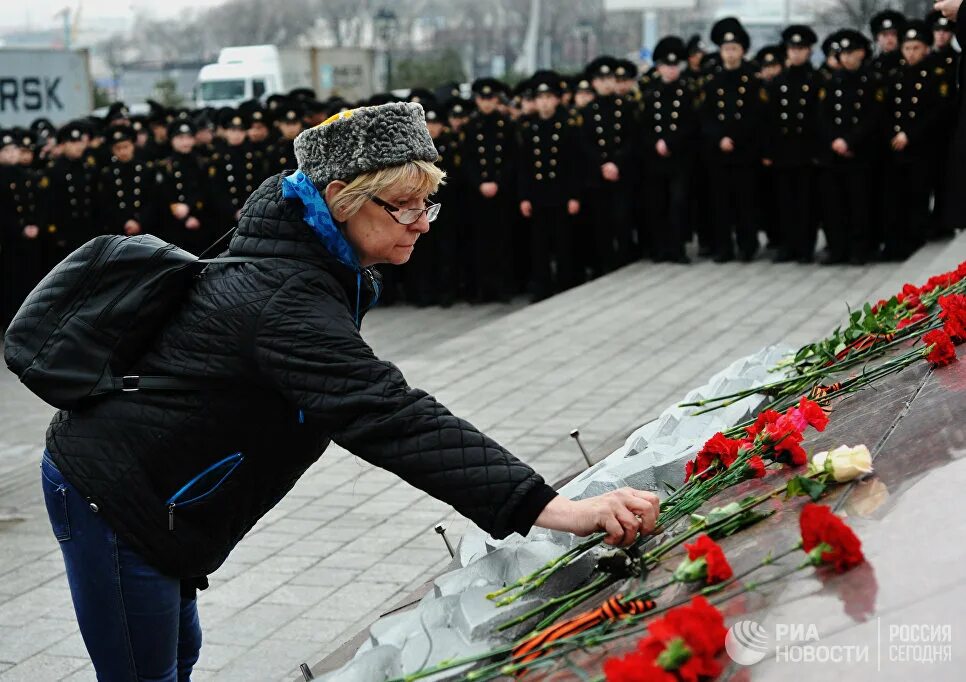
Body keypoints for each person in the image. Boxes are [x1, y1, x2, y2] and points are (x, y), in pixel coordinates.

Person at [39, 102, 661, 679]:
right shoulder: (285, 297)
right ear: (340, 199)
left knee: (177, 652)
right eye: (404, 207)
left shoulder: (309, 260)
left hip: (167, 494)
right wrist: (554, 510)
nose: (422, 224)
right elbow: (389, 415)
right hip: (114, 492)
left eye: (428, 205)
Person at [881, 20, 952, 260]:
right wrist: (893, 132)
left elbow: (937, 111)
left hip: (921, 147)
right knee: (894, 197)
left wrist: (909, 134)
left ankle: (915, 240)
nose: (911, 53)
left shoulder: (935, 73)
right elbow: (886, 108)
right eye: (907, 48)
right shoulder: (895, 74)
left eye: (916, 48)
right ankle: (895, 243)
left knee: (917, 196)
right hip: (895, 147)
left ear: (925, 48)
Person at [700, 17, 765, 262]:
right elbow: (705, 116)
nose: (730, 54)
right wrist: (719, 138)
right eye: (726, 49)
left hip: (744, 150)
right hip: (718, 152)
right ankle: (723, 248)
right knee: (720, 202)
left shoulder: (751, 80)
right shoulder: (712, 80)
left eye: (734, 49)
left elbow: (755, 115)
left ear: (743, 51)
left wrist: (734, 137)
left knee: (745, 201)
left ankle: (747, 245)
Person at [816, 30, 882, 265]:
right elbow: (823, 116)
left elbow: (873, 117)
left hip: (859, 153)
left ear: (861, 53)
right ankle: (837, 248)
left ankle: (859, 249)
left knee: (859, 205)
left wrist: (850, 141)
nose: (846, 58)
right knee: (834, 205)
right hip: (835, 154)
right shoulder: (832, 81)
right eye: (842, 53)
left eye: (850, 53)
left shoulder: (871, 80)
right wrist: (835, 140)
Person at [516, 70, 583, 299]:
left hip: (561, 193)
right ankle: (542, 286)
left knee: (564, 241)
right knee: (539, 245)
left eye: (548, 97)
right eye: (540, 98)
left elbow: (574, 165)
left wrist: (574, 196)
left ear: (556, 99)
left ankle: (565, 283)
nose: (544, 102)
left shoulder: (567, 126)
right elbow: (524, 167)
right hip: (538, 195)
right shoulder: (529, 129)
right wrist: (524, 197)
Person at [764, 25, 821, 264]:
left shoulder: (816, 80)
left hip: (807, 151)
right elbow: (769, 120)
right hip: (783, 152)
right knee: (784, 202)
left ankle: (806, 248)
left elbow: (820, 119)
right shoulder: (778, 82)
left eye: (801, 49)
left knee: (806, 203)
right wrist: (768, 151)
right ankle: (787, 246)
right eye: (792, 49)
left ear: (808, 51)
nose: (796, 53)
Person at [639, 36, 698, 264]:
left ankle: (677, 247)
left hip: (679, 157)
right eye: (666, 65)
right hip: (655, 158)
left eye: (674, 66)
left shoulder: (686, 92)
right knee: (658, 203)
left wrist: (671, 142)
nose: (670, 70)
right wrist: (655, 142)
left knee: (678, 203)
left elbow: (691, 124)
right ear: (659, 67)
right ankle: (660, 247)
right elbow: (644, 126)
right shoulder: (651, 94)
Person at [96, 125, 157, 237]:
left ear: (133, 146)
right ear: (112, 150)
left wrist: (139, 222)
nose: (123, 152)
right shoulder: (107, 174)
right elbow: (106, 204)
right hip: (118, 230)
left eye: (126, 147)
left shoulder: (145, 170)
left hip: (144, 229)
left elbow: (152, 200)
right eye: (118, 148)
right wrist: (124, 222)